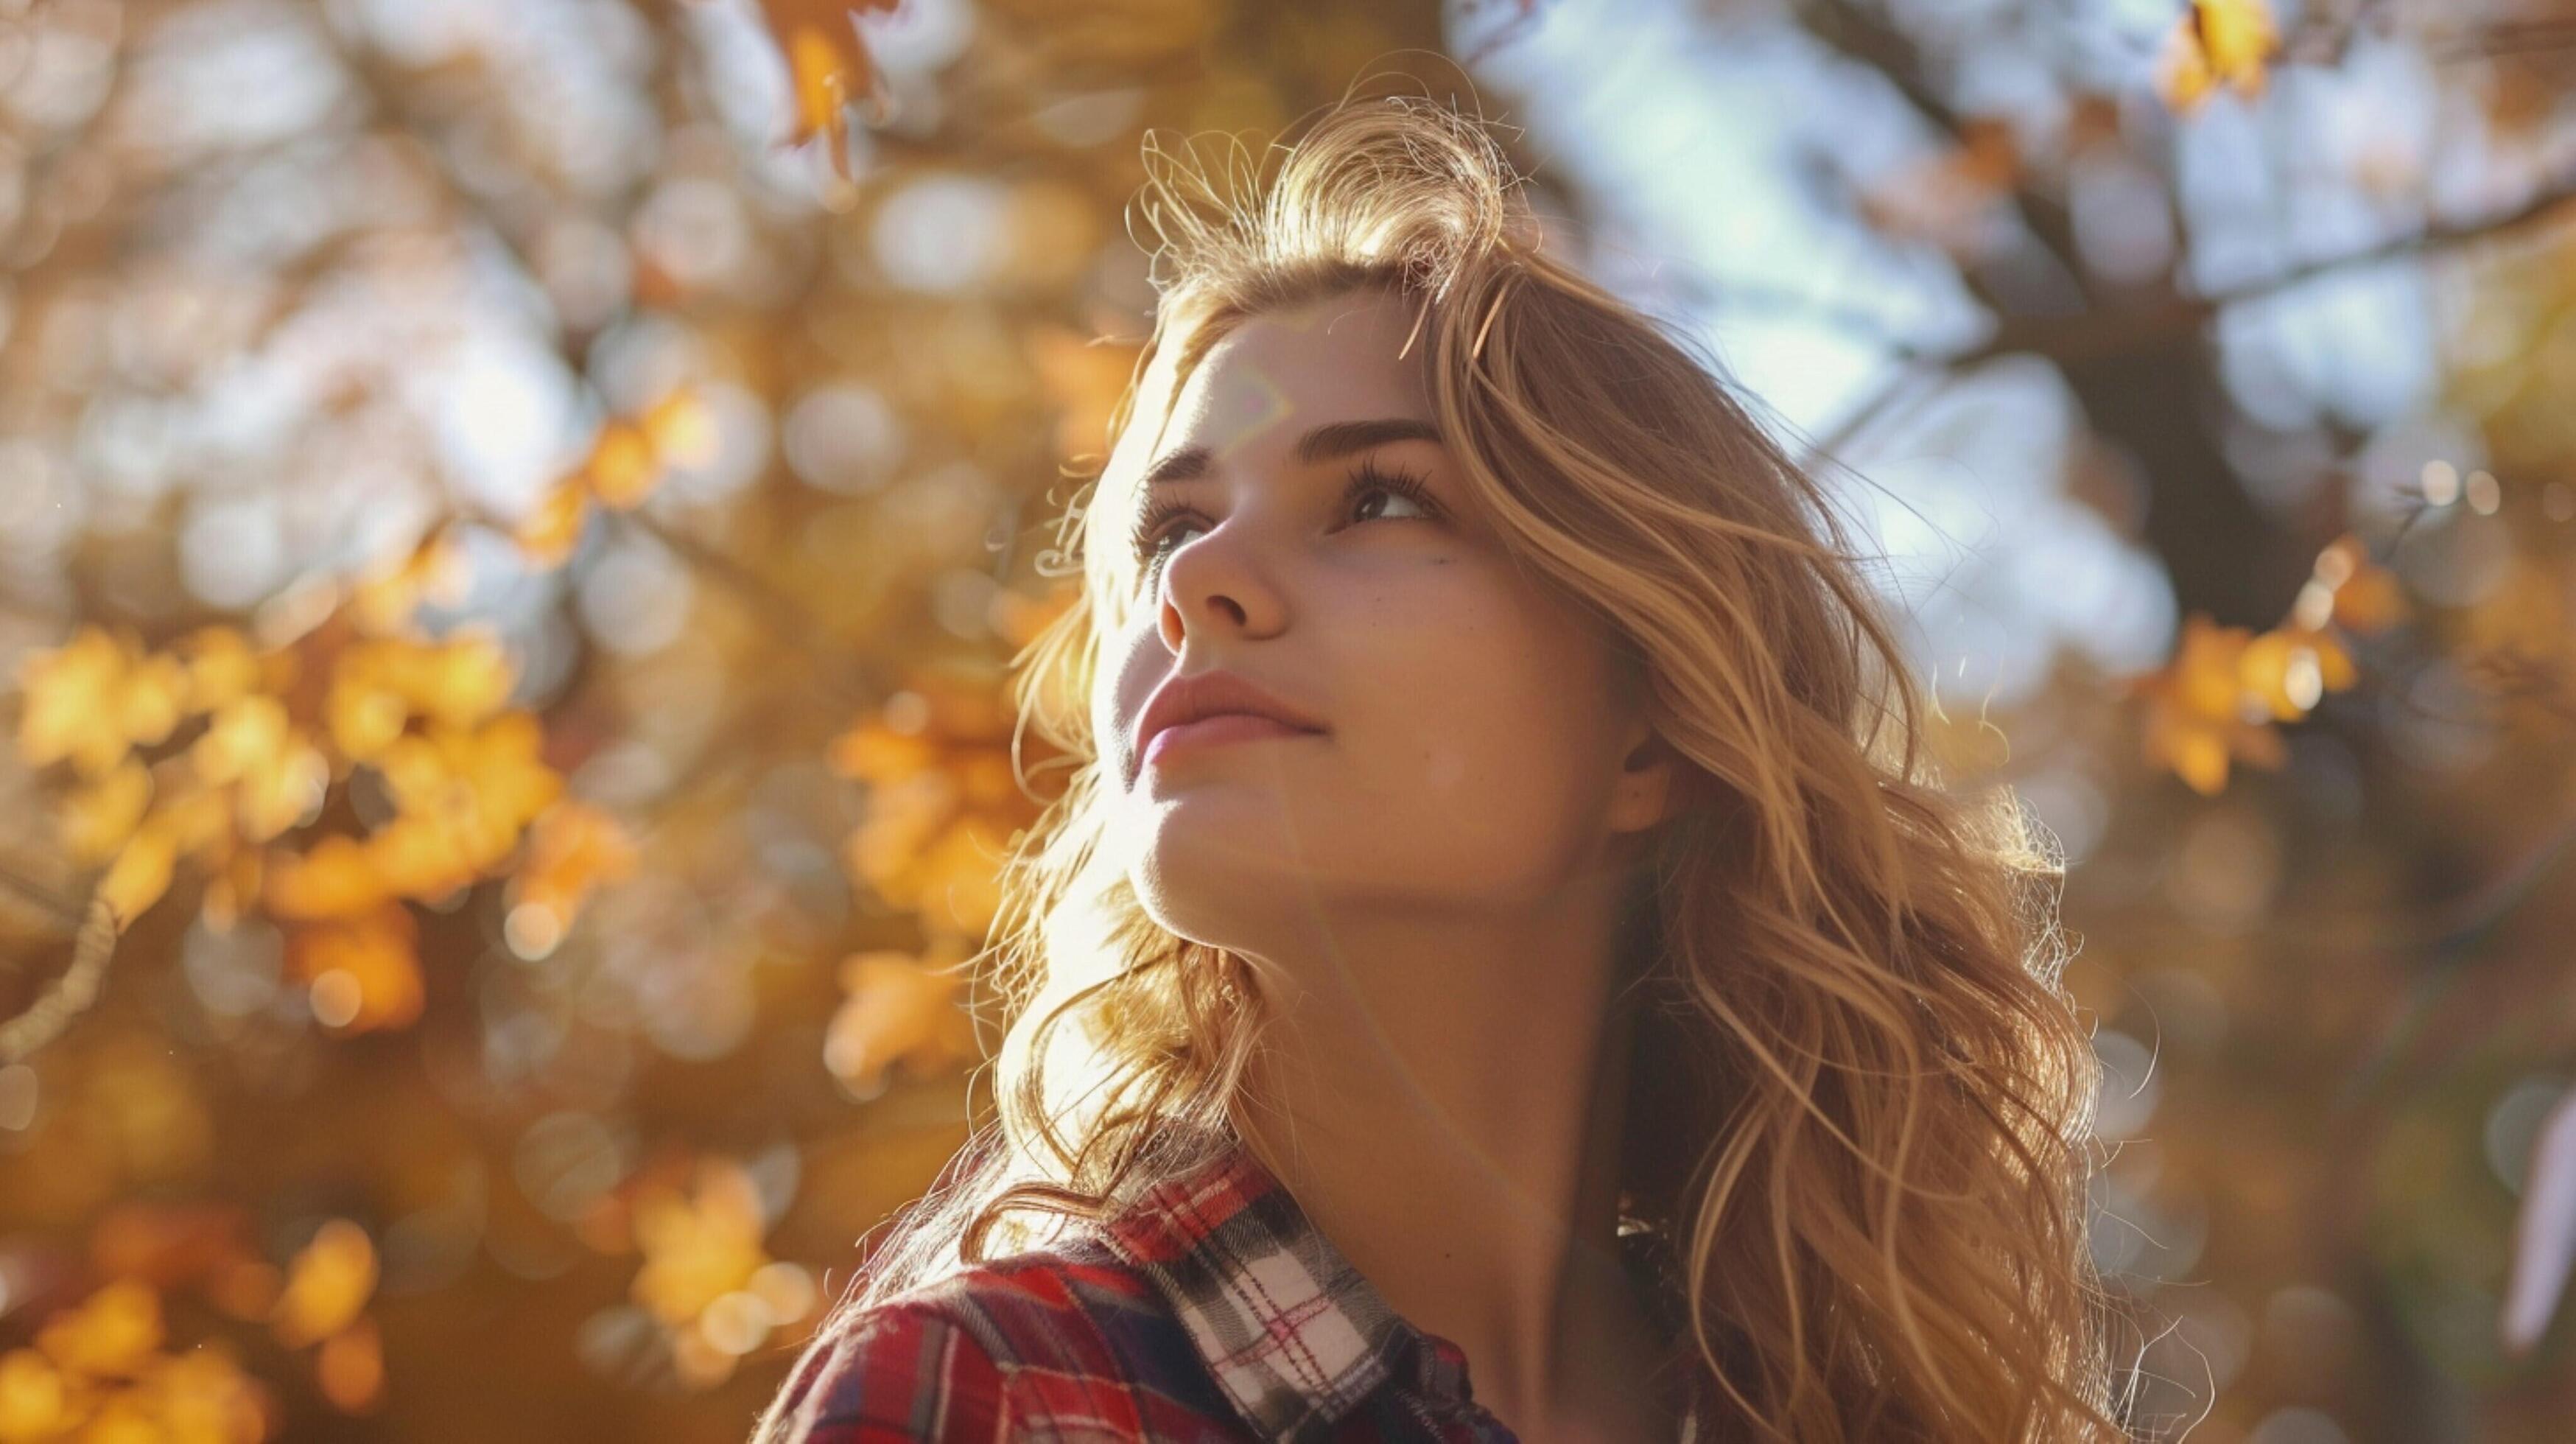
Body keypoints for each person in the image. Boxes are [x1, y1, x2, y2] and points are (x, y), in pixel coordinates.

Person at [751, 77, 2131, 1444]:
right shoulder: (983, 1402)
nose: (1195, 583)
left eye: (1376, 497)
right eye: (1168, 529)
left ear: (1650, 725)